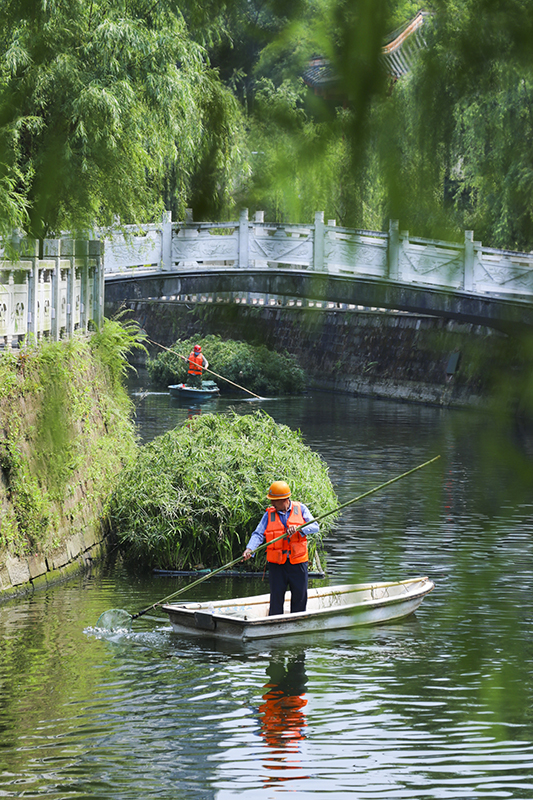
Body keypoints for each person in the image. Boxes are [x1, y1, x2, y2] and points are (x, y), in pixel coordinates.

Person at [242, 480, 319, 616]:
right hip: (277, 565)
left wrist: (299, 529)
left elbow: (315, 527)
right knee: (276, 598)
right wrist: (250, 549)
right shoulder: (269, 514)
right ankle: (274, 625)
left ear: (284, 500)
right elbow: (258, 534)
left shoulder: (301, 509)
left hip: (298, 563)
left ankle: (298, 625)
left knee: (300, 597)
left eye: (274, 501)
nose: (272, 503)